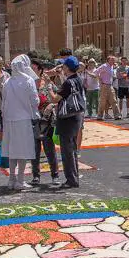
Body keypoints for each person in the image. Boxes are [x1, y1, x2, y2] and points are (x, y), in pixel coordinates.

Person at [1, 54, 39, 190]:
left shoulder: (7, 81)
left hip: (9, 119)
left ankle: (11, 178)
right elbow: (35, 100)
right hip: (23, 119)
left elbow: (3, 102)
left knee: (12, 151)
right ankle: (20, 180)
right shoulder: (29, 80)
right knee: (22, 151)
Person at [49, 55, 85, 189]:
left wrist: (49, 88)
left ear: (67, 67)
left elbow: (55, 99)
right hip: (76, 117)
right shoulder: (78, 79)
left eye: (63, 66)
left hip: (67, 119)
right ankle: (74, 177)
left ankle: (71, 179)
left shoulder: (68, 83)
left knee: (67, 151)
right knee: (73, 149)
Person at [29, 57, 59, 186]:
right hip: (33, 119)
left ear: (40, 70)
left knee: (49, 149)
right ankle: (36, 176)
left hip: (47, 120)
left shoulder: (48, 84)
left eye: (33, 68)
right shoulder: (27, 84)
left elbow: (58, 99)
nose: (31, 70)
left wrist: (51, 106)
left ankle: (55, 175)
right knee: (34, 150)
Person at [96, 55, 120, 120]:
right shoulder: (104, 66)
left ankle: (117, 115)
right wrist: (100, 80)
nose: (113, 61)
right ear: (108, 60)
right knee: (102, 101)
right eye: (112, 59)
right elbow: (96, 72)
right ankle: (100, 116)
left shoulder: (111, 66)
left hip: (110, 85)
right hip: (104, 85)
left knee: (114, 100)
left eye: (114, 60)